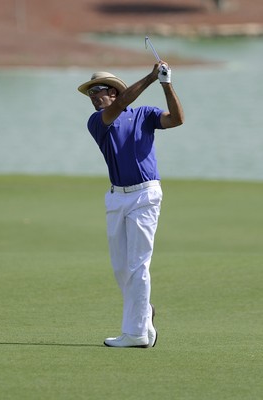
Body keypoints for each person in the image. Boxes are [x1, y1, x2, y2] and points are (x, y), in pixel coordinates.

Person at [78, 61, 184, 348]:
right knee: (121, 269)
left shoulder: (144, 115)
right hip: (116, 197)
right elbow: (120, 105)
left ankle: (136, 334)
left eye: (97, 90)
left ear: (112, 91)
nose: (93, 96)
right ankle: (144, 313)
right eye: (90, 93)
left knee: (138, 265)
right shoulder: (98, 121)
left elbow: (176, 119)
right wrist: (151, 77)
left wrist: (165, 84)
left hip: (145, 195)